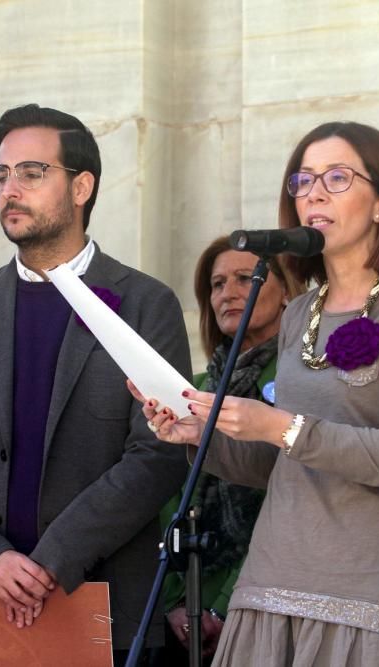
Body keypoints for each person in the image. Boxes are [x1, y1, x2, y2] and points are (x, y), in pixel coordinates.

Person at [134, 121, 379, 666]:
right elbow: (282, 463)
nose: (313, 192)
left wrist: (277, 425)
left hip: (373, 595)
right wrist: (200, 435)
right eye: (303, 179)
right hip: (271, 588)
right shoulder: (297, 313)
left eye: (337, 177)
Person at [0, 104, 192, 663]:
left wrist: (52, 560)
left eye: (32, 173)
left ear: (81, 186)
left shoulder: (144, 303)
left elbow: (157, 454)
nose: (10, 188)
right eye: (1, 174)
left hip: (99, 597)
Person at [152, 238, 304, 664]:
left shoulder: (300, 382)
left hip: (260, 599)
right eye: (217, 284)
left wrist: (220, 605)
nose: (229, 293)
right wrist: (177, 604)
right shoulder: (194, 387)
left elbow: (279, 500)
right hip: (180, 604)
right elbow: (166, 499)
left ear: (289, 292)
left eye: (246, 278)